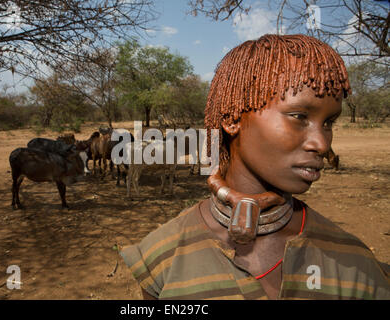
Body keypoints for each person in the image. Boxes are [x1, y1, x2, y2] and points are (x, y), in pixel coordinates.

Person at [119, 34, 390, 300]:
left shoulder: (356, 264)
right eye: (299, 116)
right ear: (232, 119)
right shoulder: (161, 260)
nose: (321, 143)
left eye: (329, 122)